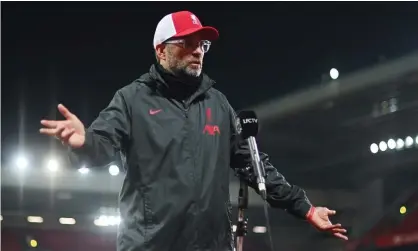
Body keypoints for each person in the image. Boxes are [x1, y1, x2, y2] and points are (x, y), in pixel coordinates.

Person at [40, 10, 348, 251]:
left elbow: (254, 166)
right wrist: (82, 145)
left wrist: (304, 207)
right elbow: (101, 144)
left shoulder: (217, 103)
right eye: (186, 43)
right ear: (161, 51)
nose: (197, 51)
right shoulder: (131, 99)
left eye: (202, 44)